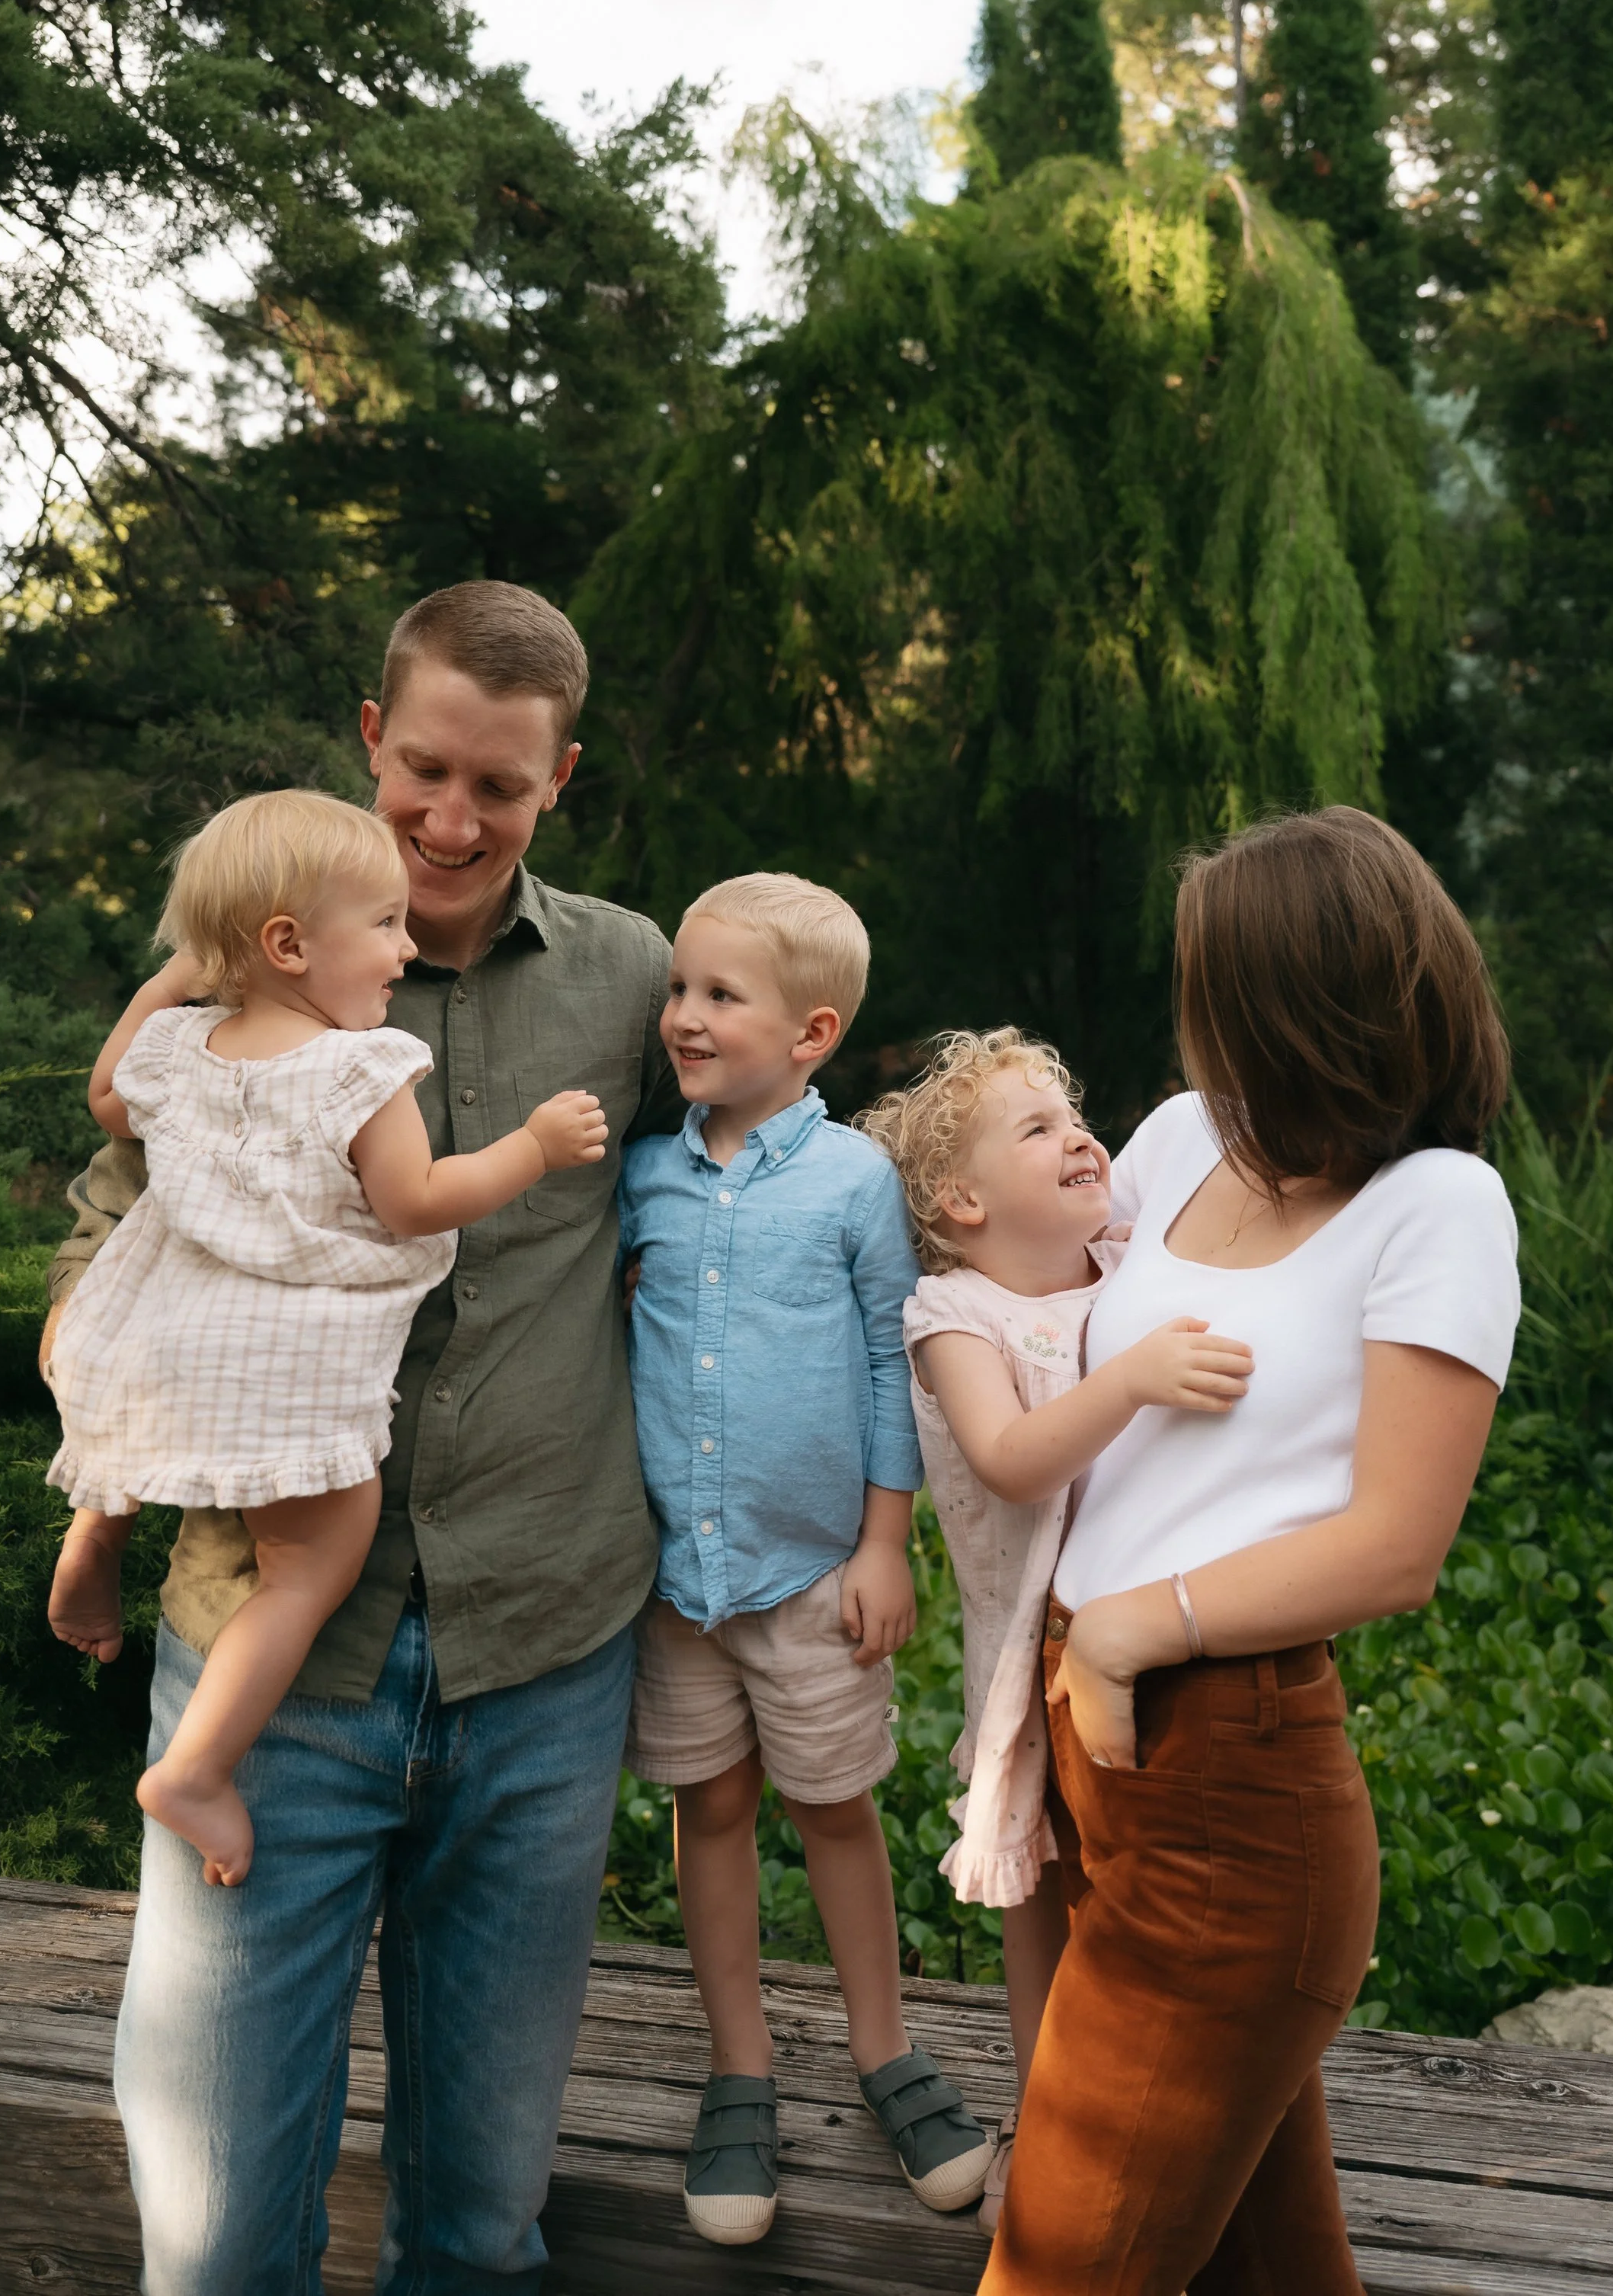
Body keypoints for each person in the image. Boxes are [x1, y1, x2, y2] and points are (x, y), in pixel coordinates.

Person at [44, 581, 680, 2296]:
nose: (455, 823)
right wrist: (103, 1428)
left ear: (562, 781)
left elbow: (766, 1185)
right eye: (429, 776)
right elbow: (108, 1226)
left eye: (505, 787)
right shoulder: (225, 982)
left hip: (541, 1654)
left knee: (479, 2231)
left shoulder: (633, 978)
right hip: (273, 1668)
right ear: (371, 736)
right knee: (216, 2234)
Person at [982, 805, 1520, 2296]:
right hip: (1096, 1763)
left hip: (1233, 1786)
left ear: (1300, 1004)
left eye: (1210, 982)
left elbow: (1391, 1547)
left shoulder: (1435, 1207)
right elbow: (1031, 1321)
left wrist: (1122, 1630)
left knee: (1050, 2266)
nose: (1187, 1013)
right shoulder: (1172, 1137)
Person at [45, 789, 608, 1888]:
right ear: (291, 944)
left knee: (139, 1417)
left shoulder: (180, 1044)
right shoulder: (359, 1065)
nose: (407, 948)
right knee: (308, 1564)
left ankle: (96, 1534)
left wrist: (177, 974)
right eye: (387, 925)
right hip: (277, 1369)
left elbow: (108, 1097)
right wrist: (535, 1147)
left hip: (159, 1346)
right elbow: (416, 1199)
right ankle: (198, 1767)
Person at [618, 872, 995, 2247]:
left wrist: (888, 1542)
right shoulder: (646, 1171)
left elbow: (899, 1366)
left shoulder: (850, 1184)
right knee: (708, 1810)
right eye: (680, 989)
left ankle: (887, 2049)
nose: (684, 1017)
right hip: (677, 1586)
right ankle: (740, 2065)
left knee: (834, 1808)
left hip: (810, 1578)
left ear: (812, 1032)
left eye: (721, 995)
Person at [858, 1028, 1253, 2234]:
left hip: (1159, 1633)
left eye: (1074, 1113)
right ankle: (1050, 2118)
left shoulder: (1128, 1263)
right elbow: (1012, 1459)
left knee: (1144, 1899)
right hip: (1028, 1655)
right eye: (1037, 1128)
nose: (1080, 1137)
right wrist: (1132, 1377)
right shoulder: (953, 1311)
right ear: (960, 1201)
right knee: (1046, 1899)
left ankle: (1171, 2121)